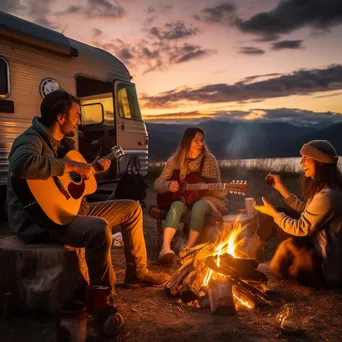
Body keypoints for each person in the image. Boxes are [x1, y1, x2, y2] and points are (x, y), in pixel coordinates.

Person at [6, 90, 169, 300]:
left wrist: (90, 170)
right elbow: (21, 165)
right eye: (76, 116)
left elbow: (67, 183)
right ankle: (103, 298)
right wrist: (71, 165)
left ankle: (137, 274)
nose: (78, 122)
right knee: (98, 229)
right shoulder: (31, 139)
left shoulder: (63, 143)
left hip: (70, 210)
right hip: (42, 222)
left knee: (133, 209)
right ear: (60, 117)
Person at [253, 140, 342, 288]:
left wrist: (274, 214)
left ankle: (251, 254)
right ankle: (251, 254)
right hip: (318, 246)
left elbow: (301, 227)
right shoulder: (327, 189)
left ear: (319, 162)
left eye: (305, 158)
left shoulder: (327, 196)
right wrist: (281, 188)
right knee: (280, 212)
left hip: (325, 267)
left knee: (279, 214)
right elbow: (307, 212)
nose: (301, 163)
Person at [154, 127, 229, 264]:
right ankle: (165, 249)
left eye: (202, 140)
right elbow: (157, 184)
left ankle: (188, 249)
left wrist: (205, 189)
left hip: (207, 199)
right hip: (184, 200)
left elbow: (220, 191)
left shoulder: (208, 160)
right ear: (187, 141)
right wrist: (168, 185)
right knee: (176, 205)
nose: (200, 143)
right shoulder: (174, 161)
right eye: (196, 140)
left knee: (199, 206)